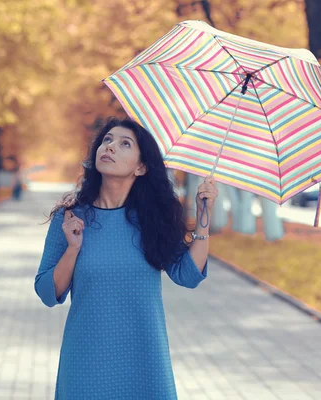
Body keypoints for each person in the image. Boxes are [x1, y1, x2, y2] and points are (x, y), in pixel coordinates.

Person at [34, 117, 218, 400]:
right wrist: (72, 248)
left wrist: (204, 217)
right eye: (107, 140)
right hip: (86, 363)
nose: (110, 147)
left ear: (141, 167)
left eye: (124, 144)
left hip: (146, 363)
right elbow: (48, 292)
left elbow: (188, 275)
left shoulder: (152, 220)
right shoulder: (70, 217)